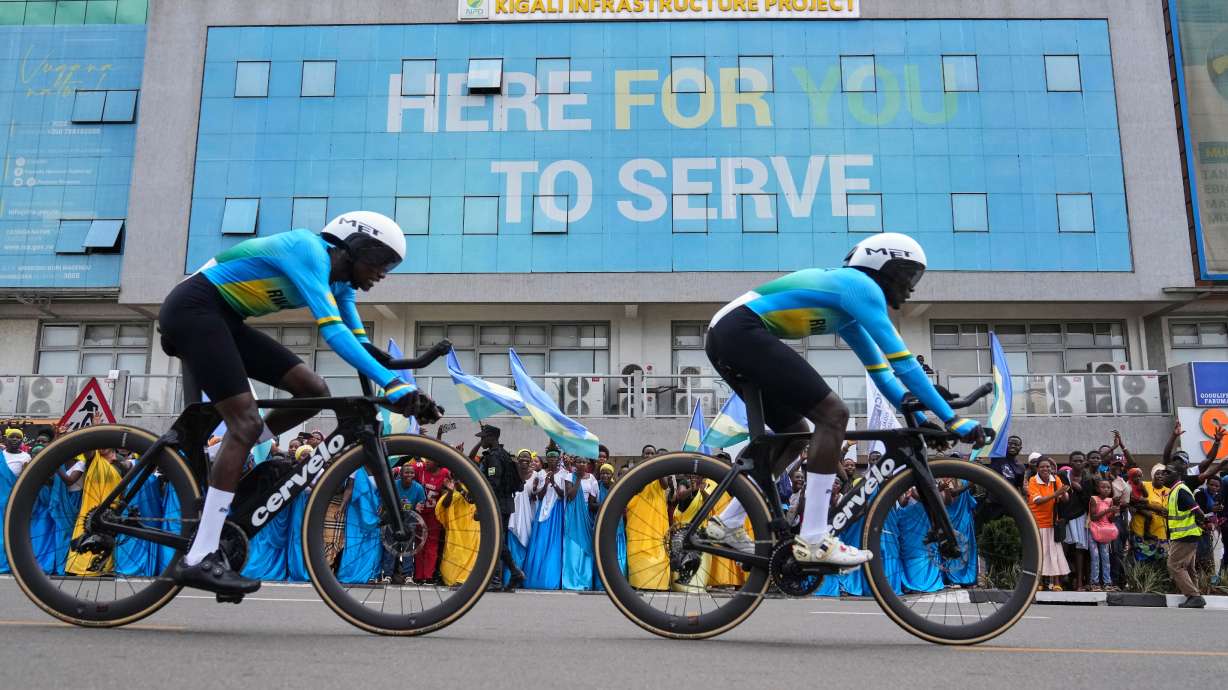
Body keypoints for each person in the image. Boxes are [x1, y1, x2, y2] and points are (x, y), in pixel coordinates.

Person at [160, 211, 441, 595]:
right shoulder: (308, 250)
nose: (383, 273)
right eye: (381, 261)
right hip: (195, 308)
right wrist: (393, 386)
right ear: (353, 247)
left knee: (314, 391)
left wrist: (396, 383)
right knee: (242, 422)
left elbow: (357, 342)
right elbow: (334, 333)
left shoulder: (339, 283)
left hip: (225, 318)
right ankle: (200, 556)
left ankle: (221, 458)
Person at [701, 233, 985, 567]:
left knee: (794, 433)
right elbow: (904, 363)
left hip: (727, 334)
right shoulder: (860, 287)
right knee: (833, 415)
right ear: (885, 266)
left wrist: (923, 421)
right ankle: (814, 537)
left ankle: (729, 522)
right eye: (910, 275)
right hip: (739, 330)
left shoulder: (848, 308)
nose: (911, 288)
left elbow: (883, 374)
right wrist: (954, 419)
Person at [470, 424, 526, 591]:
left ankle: (503, 577)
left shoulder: (494, 457)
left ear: (492, 438)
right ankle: (502, 577)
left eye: (483, 438)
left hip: (497, 504)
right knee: (497, 541)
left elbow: (493, 484)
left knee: (495, 541)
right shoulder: (503, 455)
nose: (481, 441)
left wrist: (484, 506)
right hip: (505, 503)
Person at [1160, 461, 1206, 608]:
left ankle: (1194, 596)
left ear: (1178, 475)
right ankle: (1195, 594)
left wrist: (1199, 525)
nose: (1163, 475)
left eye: (1168, 472)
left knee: (1174, 565)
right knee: (1188, 568)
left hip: (1185, 536)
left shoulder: (1180, 490)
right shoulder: (1175, 491)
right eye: (1163, 472)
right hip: (1186, 535)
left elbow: (1198, 512)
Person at [1027, 457, 1071, 591]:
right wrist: (1057, 493)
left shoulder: (1055, 480)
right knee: (1040, 553)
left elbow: (1065, 499)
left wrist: (1063, 494)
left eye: (1048, 467)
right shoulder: (1033, 480)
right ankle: (1039, 583)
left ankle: (1056, 583)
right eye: (1042, 467)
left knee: (1055, 553)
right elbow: (1038, 501)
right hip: (1037, 522)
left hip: (1052, 523)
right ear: (1037, 468)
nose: (1046, 469)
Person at [382, 465, 425, 585]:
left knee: (408, 549)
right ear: (400, 474)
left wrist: (419, 506)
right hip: (393, 521)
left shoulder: (418, 488)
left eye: (412, 473)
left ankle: (408, 576)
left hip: (409, 522)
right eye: (407, 472)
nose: (409, 475)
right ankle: (387, 575)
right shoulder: (394, 485)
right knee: (391, 548)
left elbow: (422, 503)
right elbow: (385, 502)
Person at [1087, 479, 1119, 592]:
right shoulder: (1094, 499)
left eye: (1108, 488)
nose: (1106, 489)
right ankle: (1094, 582)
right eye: (1103, 487)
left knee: (1105, 557)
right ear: (1097, 489)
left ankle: (1107, 583)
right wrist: (1108, 510)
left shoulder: (1111, 500)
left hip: (1105, 531)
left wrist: (1114, 511)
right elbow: (1093, 517)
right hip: (1094, 530)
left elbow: (1111, 519)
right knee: (1095, 557)